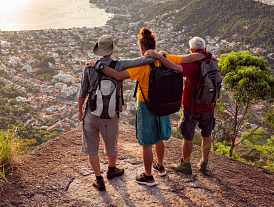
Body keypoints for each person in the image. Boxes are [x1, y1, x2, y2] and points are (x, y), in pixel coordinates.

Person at [89, 28, 207, 186]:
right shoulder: (164, 59)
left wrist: (98, 65)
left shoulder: (142, 66)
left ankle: (148, 176)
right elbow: (190, 58)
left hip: (146, 105)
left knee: (146, 143)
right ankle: (160, 166)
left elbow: (117, 75)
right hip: (163, 104)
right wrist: (208, 55)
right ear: (154, 45)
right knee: (159, 138)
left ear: (141, 48)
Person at [78, 34, 155, 191]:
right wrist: (157, 55)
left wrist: (80, 110)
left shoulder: (89, 67)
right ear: (112, 51)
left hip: (91, 114)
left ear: (98, 51)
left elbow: (82, 92)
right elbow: (144, 61)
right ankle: (112, 170)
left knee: (92, 149)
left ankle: (99, 179)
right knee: (111, 146)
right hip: (111, 115)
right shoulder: (119, 65)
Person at [145, 36, 215, 174]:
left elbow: (175, 67)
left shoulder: (193, 66)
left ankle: (186, 165)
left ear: (191, 50)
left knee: (188, 136)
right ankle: (204, 164)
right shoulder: (213, 61)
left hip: (192, 107)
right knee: (206, 135)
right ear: (205, 49)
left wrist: (160, 57)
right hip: (209, 105)